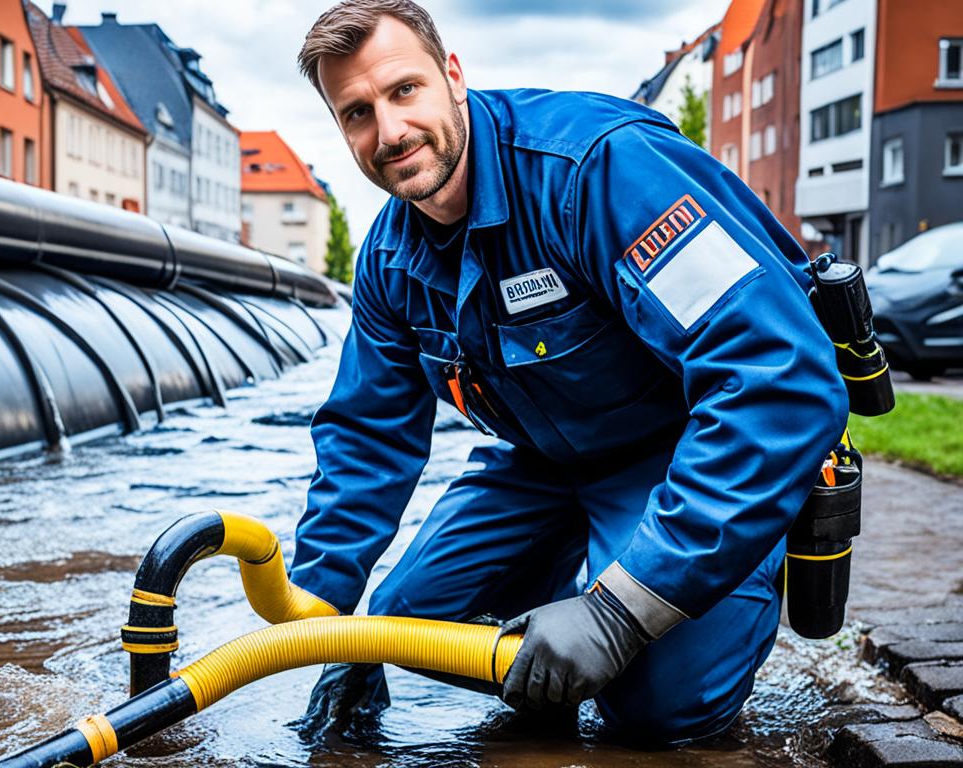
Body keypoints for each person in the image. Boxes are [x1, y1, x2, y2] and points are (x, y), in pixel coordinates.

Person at [285, 0, 848, 745]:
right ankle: (569, 616)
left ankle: (659, 592)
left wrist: (617, 614)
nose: (388, 132)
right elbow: (367, 436)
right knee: (402, 628)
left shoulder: (597, 171)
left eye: (403, 91)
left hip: (684, 449)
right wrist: (326, 626)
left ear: (453, 76)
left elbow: (778, 376)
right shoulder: (390, 259)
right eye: (356, 113)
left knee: (655, 713)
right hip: (541, 464)